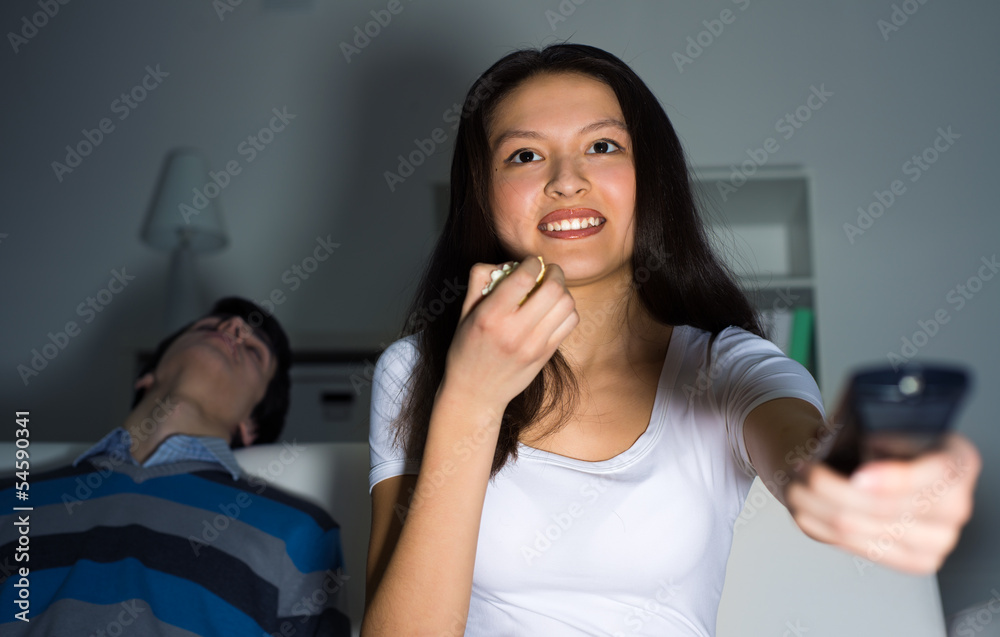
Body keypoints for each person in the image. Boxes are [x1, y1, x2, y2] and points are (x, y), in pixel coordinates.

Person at [362, 44, 982, 636]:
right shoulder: (414, 369)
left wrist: (868, 478)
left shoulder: (728, 364)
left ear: (651, 178)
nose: (567, 180)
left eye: (602, 146)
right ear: (482, 194)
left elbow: (806, 456)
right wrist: (470, 394)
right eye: (524, 156)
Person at [0, 297, 351, 636]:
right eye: (208, 326)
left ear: (252, 425)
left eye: (254, 351)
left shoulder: (301, 533)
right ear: (146, 377)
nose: (233, 327)